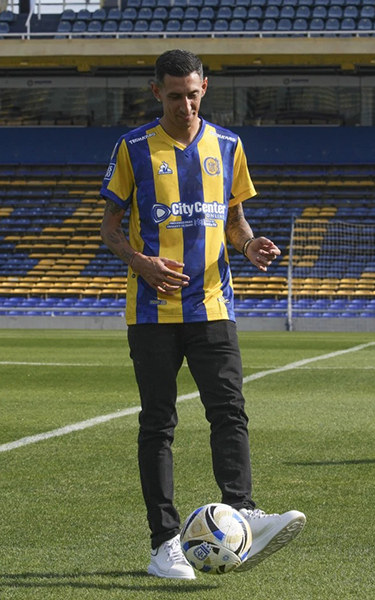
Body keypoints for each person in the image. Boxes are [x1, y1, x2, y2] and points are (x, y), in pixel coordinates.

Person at [99, 49, 305, 580]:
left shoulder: (228, 145)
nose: (186, 105)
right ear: (156, 93)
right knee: (158, 424)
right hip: (152, 312)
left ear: (204, 88)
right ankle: (163, 542)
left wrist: (250, 243)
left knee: (229, 411)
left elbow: (234, 220)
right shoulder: (134, 148)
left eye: (193, 94)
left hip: (214, 306)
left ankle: (244, 511)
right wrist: (141, 263)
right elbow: (110, 228)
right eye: (174, 96)